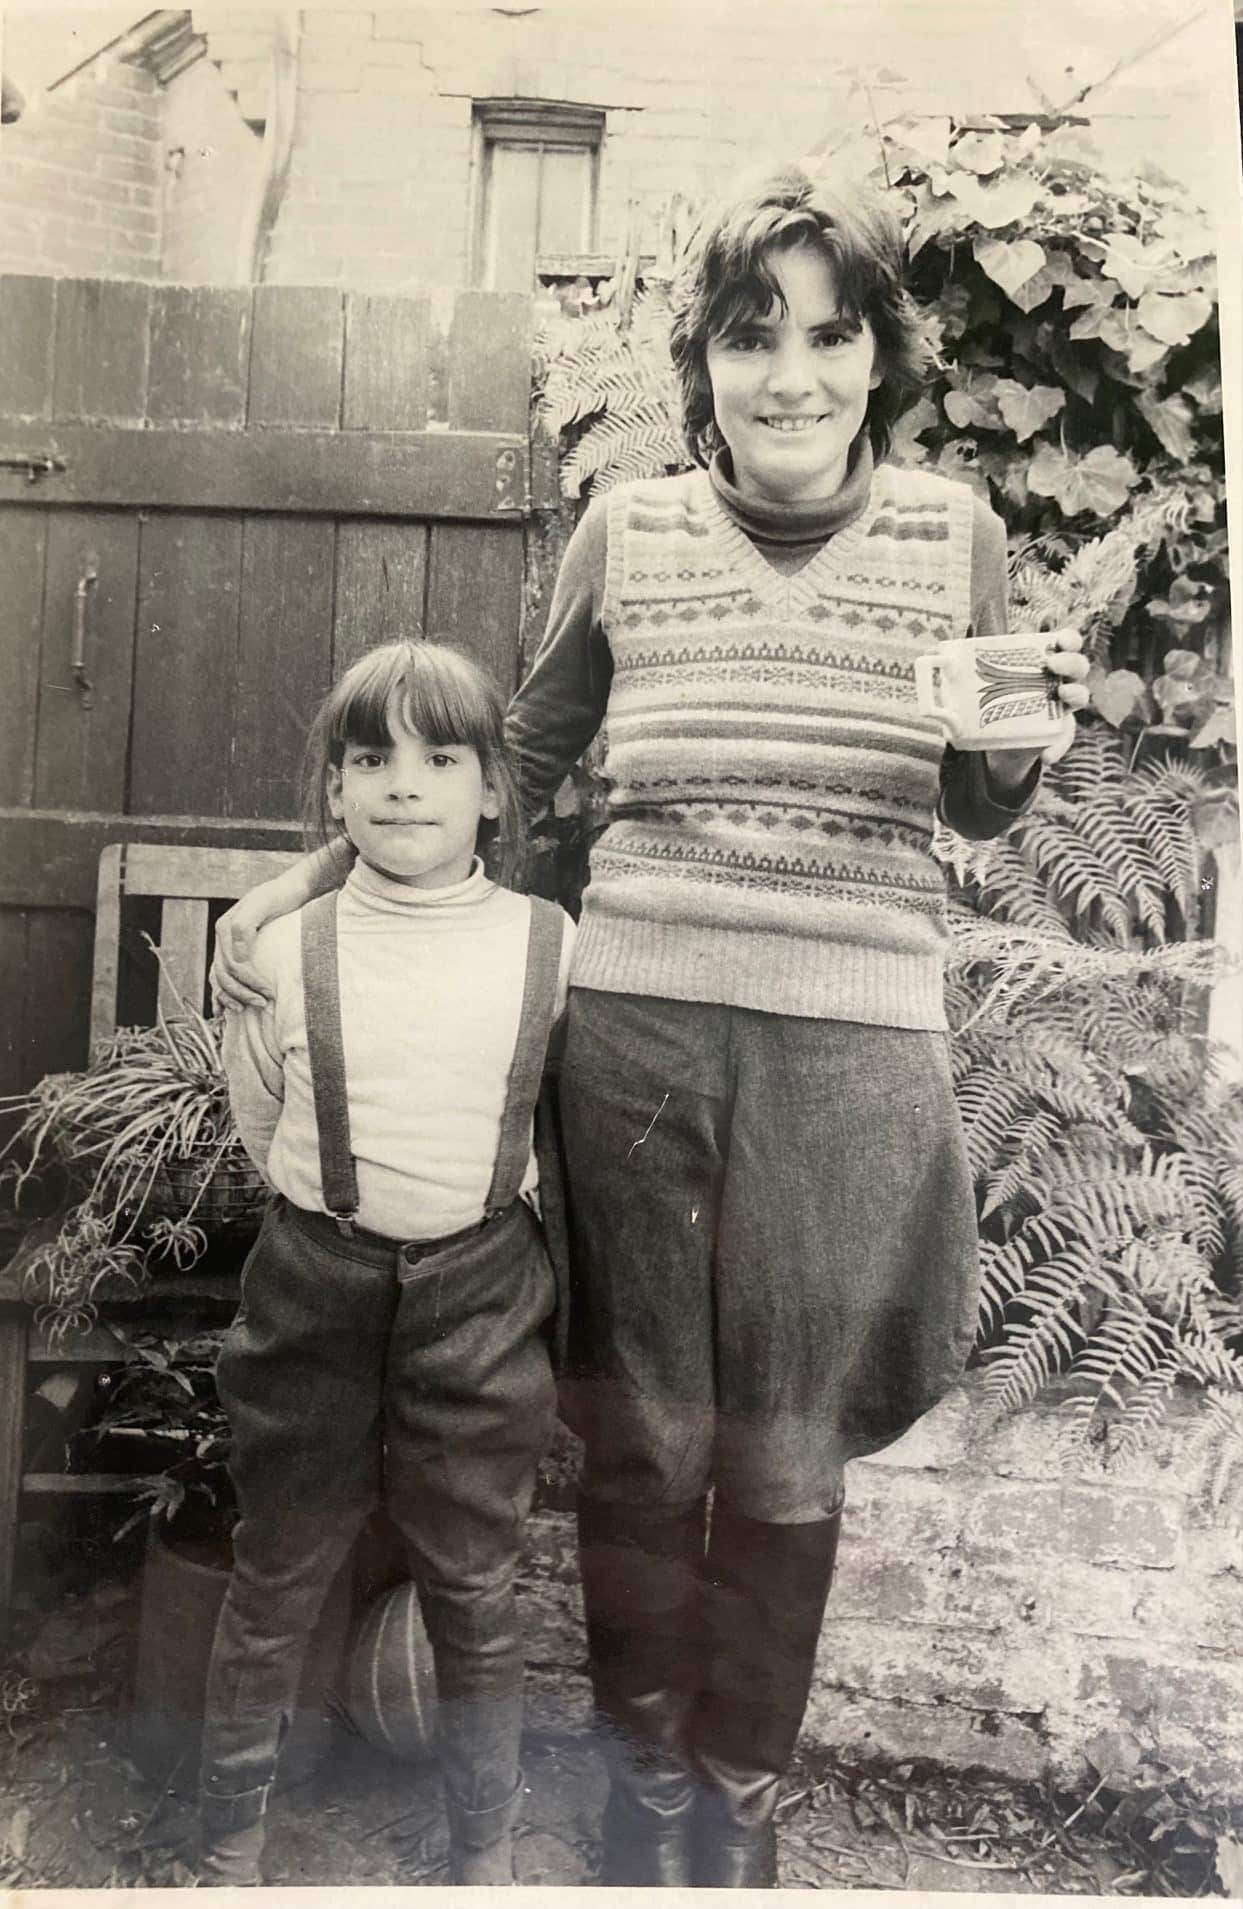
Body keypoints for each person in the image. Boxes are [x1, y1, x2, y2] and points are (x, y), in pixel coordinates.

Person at [211, 164, 1090, 1890]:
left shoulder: (953, 533)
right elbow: (520, 760)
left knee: (779, 1448)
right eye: (751, 337)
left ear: (874, 363)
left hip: (850, 1054)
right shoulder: (627, 528)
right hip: (638, 1043)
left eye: (828, 339)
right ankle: (632, 1795)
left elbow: (978, 806)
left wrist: (1024, 740)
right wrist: (307, 881)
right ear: (701, 361)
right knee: (643, 1441)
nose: (790, 376)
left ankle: (730, 1808)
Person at [198, 639, 575, 1886]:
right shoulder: (284, 950)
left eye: (439, 757)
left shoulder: (546, 944)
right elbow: (263, 1124)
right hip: (314, 1286)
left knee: (475, 1585)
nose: (403, 784)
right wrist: (336, 1217)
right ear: (334, 792)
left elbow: (556, 1131)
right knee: (277, 1569)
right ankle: (228, 1839)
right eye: (371, 759)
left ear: (490, 793)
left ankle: (483, 1850)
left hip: (478, 1299)